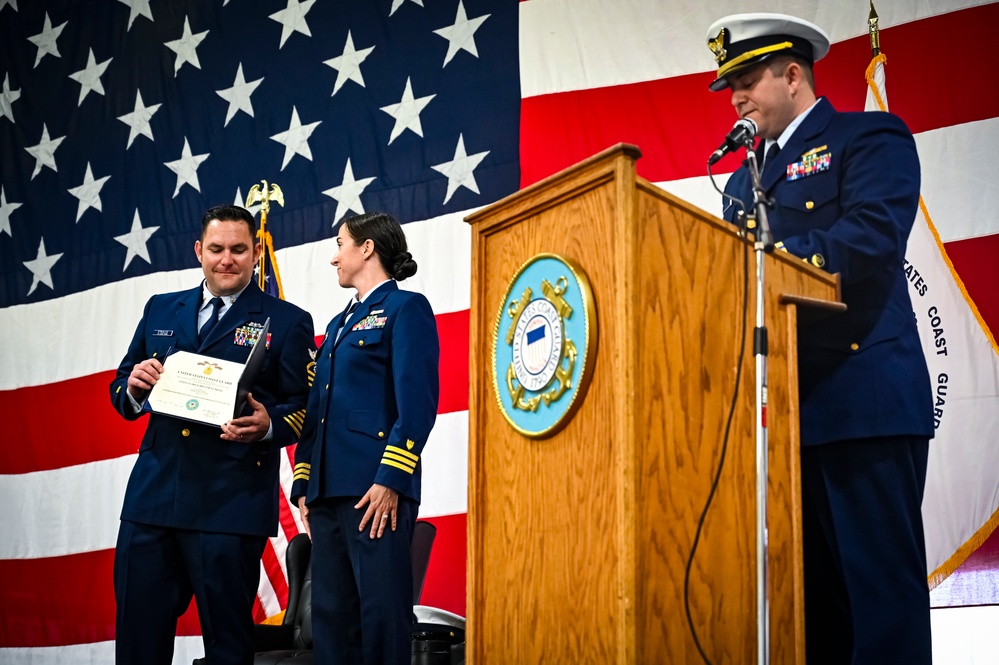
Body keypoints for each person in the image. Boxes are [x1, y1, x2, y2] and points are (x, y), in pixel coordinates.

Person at [705, 13, 935, 664]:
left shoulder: (868, 137)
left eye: (745, 80)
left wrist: (766, 261)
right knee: (812, 613)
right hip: (784, 420)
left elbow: (868, 239)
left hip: (863, 399)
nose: (735, 98)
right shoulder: (742, 182)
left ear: (793, 74)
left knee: (878, 601)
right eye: (728, 87)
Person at [109, 204, 317, 665]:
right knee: (138, 643)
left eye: (239, 250)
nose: (227, 260)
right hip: (153, 502)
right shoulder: (162, 308)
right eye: (217, 249)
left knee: (227, 647)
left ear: (256, 252)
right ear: (199, 251)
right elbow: (122, 388)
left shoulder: (286, 320)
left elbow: (308, 407)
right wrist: (134, 387)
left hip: (230, 505)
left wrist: (269, 426)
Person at [291, 211, 440, 665]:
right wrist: (303, 487)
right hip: (327, 494)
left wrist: (391, 479)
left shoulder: (405, 308)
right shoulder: (337, 326)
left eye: (340, 244)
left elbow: (416, 405)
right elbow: (317, 413)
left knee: (381, 616)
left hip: (375, 492)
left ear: (367, 248)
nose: (334, 257)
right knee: (333, 621)